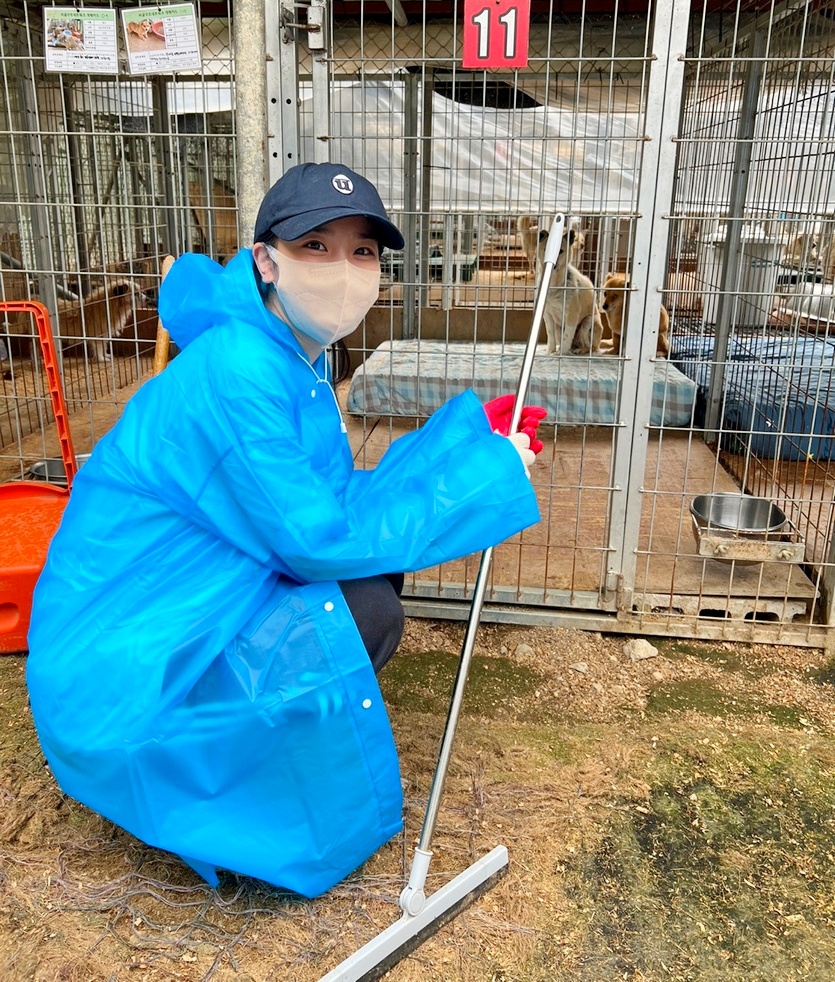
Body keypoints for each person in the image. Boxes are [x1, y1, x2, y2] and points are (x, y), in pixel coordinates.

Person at [26, 162, 546, 898]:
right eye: (316, 247)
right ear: (266, 261)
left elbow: (328, 501)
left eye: (362, 251)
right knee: (363, 607)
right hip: (127, 668)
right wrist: (483, 475)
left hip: (192, 597)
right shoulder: (240, 369)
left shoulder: (286, 354)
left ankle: (276, 754)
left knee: (368, 582)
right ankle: (231, 797)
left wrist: (464, 447)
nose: (344, 271)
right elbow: (317, 540)